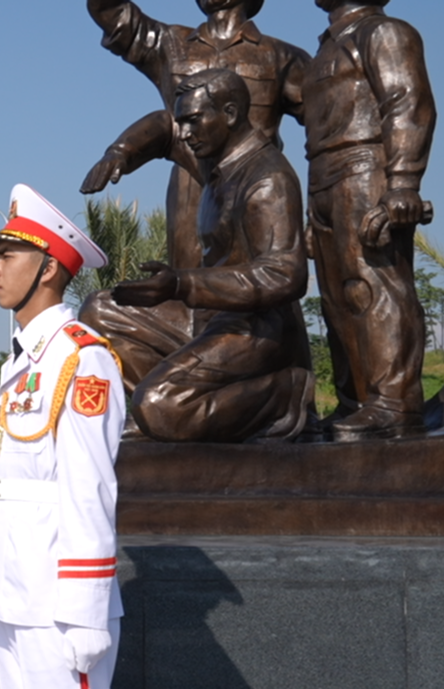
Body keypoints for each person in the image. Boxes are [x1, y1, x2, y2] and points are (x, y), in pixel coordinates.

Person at [0, 184, 127, 689]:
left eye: (8, 255)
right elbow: (8, 493)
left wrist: (85, 611)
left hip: (60, 605)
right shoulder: (22, 363)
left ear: (51, 269)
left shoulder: (81, 359)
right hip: (14, 595)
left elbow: (89, 490)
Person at [83, 69, 317, 442]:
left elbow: (285, 275)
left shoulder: (266, 178)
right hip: (209, 320)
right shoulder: (215, 160)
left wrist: (179, 283)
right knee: (99, 309)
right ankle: (170, 411)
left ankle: (282, 394)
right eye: (184, 122)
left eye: (194, 121)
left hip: (256, 330)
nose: (186, 133)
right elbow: (164, 128)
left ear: (229, 113)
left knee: (159, 404)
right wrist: (120, 153)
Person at [82, 0, 311, 273]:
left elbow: (325, 132)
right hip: (189, 191)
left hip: (255, 193)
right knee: (188, 295)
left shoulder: (282, 56)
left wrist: (316, 216)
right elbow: (109, 10)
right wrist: (121, 150)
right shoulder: (169, 43)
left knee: (264, 292)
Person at [304, 0, 436, 440]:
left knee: (374, 288)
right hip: (322, 175)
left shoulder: (384, 32)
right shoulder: (328, 45)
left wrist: (402, 182)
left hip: (365, 169)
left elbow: (408, 103)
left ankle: (394, 403)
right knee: (336, 297)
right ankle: (355, 401)